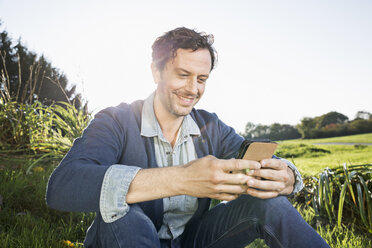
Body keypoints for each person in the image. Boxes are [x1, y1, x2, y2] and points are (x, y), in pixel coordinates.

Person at [46, 27, 329, 248]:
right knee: (125, 213)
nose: (192, 89)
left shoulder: (211, 126)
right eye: (183, 75)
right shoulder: (116, 120)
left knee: (270, 203)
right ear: (156, 71)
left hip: (193, 240)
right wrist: (181, 179)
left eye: (202, 79)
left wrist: (287, 177)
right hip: (127, 237)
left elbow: (258, 159)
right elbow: (63, 186)